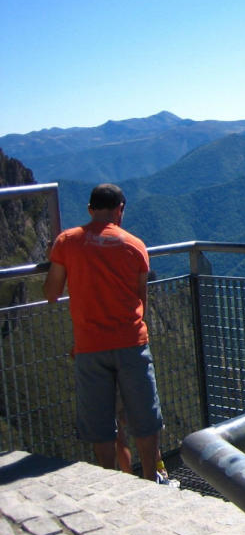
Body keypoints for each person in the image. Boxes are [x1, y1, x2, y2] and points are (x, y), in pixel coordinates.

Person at [43, 183, 164, 481]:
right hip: (130, 341)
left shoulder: (66, 242)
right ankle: (151, 478)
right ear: (120, 209)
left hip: (89, 346)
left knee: (100, 424)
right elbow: (141, 300)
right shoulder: (134, 245)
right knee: (144, 417)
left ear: (89, 210)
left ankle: (111, 483)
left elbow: (51, 293)